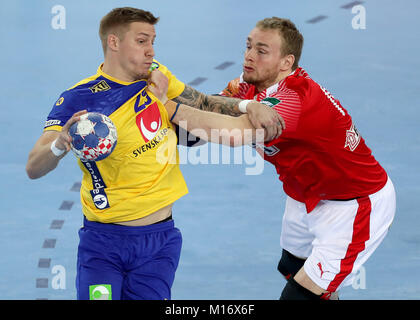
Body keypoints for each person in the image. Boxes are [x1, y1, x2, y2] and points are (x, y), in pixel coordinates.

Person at [25, 8, 284, 300]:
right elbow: (34, 166)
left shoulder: (155, 76)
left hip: (159, 243)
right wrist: (61, 142)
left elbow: (202, 103)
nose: (150, 51)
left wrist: (249, 106)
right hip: (103, 245)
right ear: (114, 43)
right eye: (141, 41)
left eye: (153, 41)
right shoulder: (78, 98)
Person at [159, 17, 396, 300]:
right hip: (304, 194)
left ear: (286, 62)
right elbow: (203, 117)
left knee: (301, 295)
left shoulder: (294, 100)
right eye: (248, 46)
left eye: (261, 51)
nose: (248, 56)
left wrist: (167, 106)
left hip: (353, 205)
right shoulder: (249, 87)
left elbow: (233, 134)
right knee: (292, 267)